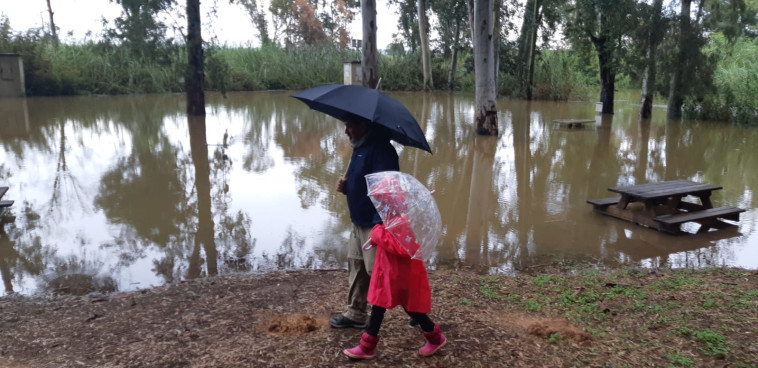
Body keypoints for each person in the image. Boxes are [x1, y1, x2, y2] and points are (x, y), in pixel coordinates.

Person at [329, 115, 399, 329]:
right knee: (357, 266)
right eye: (345, 125)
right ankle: (355, 314)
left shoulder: (381, 151)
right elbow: (362, 185)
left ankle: (415, 309)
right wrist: (347, 188)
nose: (346, 131)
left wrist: (380, 227)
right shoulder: (359, 148)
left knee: (377, 272)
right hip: (358, 220)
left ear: (364, 125)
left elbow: (387, 190)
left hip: (375, 223)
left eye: (350, 125)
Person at [342, 219, 446, 360]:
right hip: (388, 272)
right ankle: (367, 347)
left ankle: (436, 338)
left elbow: (401, 247)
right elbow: (389, 239)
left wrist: (377, 233)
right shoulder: (394, 218)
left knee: (410, 308)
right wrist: (376, 238)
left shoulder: (404, 221)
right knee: (379, 306)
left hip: (400, 275)